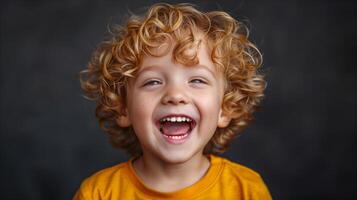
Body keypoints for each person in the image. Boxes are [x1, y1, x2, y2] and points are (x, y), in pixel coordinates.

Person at [74, 3, 272, 199]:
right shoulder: (97, 193)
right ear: (123, 108)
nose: (175, 95)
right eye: (152, 82)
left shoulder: (245, 190)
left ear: (225, 107)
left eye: (197, 80)